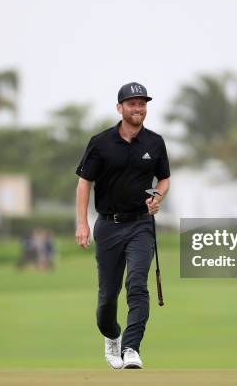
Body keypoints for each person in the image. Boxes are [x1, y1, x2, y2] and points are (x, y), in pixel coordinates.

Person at [75, 82, 170, 369]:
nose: (138, 108)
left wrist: (157, 197)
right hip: (108, 226)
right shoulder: (101, 142)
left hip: (141, 225)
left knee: (137, 284)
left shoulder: (155, 142)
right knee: (107, 298)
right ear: (120, 108)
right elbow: (84, 183)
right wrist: (82, 223)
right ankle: (112, 336)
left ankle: (131, 348)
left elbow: (163, 179)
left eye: (142, 104)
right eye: (132, 104)